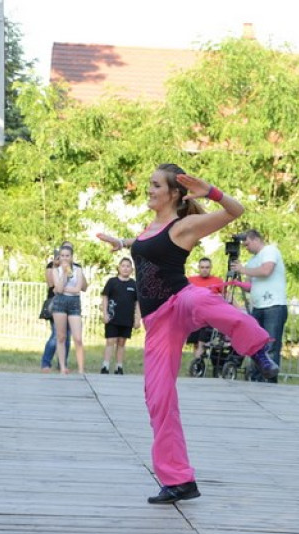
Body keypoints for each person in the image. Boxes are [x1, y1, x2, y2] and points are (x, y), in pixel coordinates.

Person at [97, 163, 278, 504]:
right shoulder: (151, 226)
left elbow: (235, 211)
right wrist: (120, 242)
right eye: (149, 184)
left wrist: (210, 190)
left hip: (180, 299)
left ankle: (257, 349)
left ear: (174, 193)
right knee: (158, 398)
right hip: (158, 323)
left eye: (154, 185)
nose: (148, 189)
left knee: (204, 301)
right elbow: (143, 245)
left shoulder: (186, 226)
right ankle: (179, 481)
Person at [231, 229, 287, 383]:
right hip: (257, 307)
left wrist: (243, 269)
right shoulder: (251, 262)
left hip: (274, 306)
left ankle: (269, 380)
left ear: (255, 239)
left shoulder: (270, 250)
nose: (246, 247)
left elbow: (266, 270)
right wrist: (238, 283)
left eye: (247, 244)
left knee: (270, 344)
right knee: (256, 344)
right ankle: (256, 378)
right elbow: (251, 286)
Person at [50, 244, 88, 375]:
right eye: (62, 256)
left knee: (77, 338)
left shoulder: (78, 270)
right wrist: (64, 274)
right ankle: (62, 367)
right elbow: (58, 289)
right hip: (60, 303)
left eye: (67, 256)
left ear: (72, 257)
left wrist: (61, 289)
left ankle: (81, 369)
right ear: (59, 257)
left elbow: (78, 289)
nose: (65, 258)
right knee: (61, 336)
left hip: (74, 303)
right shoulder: (56, 271)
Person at [99, 256, 140, 374]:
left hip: (127, 319)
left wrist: (137, 318)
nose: (125, 268)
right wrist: (105, 313)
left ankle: (119, 366)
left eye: (128, 266)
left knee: (121, 342)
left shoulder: (134, 284)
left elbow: (138, 303)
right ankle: (105, 365)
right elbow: (105, 297)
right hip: (112, 317)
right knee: (110, 341)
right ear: (118, 268)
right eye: (123, 266)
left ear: (132, 269)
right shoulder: (112, 282)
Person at [185, 257, 225, 361]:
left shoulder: (217, 281)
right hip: (193, 316)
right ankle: (198, 363)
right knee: (195, 341)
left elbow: (227, 297)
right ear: (199, 268)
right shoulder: (191, 280)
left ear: (211, 268)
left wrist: (239, 310)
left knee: (203, 333)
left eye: (207, 267)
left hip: (210, 316)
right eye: (202, 267)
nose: (204, 269)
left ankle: (200, 353)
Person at [40, 243, 72, 372]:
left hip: (70, 302)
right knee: (56, 334)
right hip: (56, 302)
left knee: (67, 335)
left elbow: (81, 286)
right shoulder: (51, 266)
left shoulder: (74, 267)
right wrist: (55, 266)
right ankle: (45, 363)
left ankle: (62, 364)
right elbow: (50, 284)